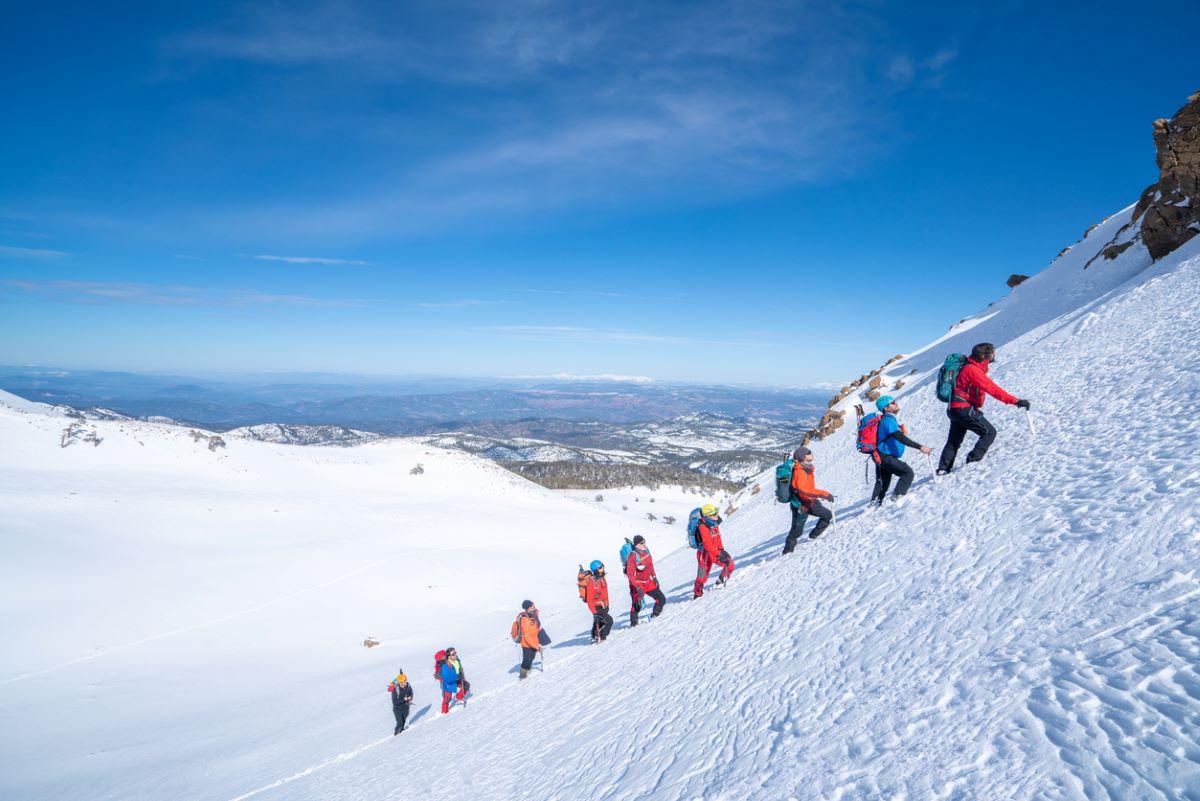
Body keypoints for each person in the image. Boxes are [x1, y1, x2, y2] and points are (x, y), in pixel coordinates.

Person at [937, 342, 1030, 474]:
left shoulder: (969, 366)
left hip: (954, 408)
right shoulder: (972, 370)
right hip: (963, 408)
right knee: (989, 432)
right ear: (984, 356)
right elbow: (993, 389)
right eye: (992, 353)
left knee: (954, 441)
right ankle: (973, 462)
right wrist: (1016, 401)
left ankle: (943, 469)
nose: (994, 355)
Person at [871, 395, 932, 505]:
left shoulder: (887, 420)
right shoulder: (888, 421)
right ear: (886, 408)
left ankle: (874, 504)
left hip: (880, 455)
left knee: (883, 483)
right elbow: (900, 438)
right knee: (907, 473)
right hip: (885, 456)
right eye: (893, 403)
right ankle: (897, 497)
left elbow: (896, 436)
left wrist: (901, 432)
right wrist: (920, 447)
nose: (896, 404)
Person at [783, 446, 834, 554]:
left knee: (827, 515)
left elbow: (809, 488)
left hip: (809, 500)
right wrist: (824, 494)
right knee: (796, 532)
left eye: (811, 460)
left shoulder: (806, 468)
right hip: (800, 504)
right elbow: (803, 489)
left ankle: (813, 536)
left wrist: (816, 496)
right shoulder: (799, 472)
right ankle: (787, 552)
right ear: (801, 459)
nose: (811, 462)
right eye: (808, 460)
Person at [692, 504, 734, 598]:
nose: (717, 515)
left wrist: (721, 550)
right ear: (707, 516)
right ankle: (697, 593)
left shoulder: (714, 524)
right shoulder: (702, 527)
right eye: (714, 514)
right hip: (704, 555)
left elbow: (718, 537)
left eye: (717, 513)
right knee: (702, 577)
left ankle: (721, 580)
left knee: (730, 564)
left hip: (716, 552)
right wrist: (719, 554)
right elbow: (707, 545)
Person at [624, 535, 665, 626]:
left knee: (661, 599)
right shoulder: (633, 557)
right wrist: (637, 588)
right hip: (637, 584)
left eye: (644, 542)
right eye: (642, 543)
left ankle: (655, 615)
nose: (644, 544)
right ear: (636, 545)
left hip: (647, 581)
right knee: (637, 605)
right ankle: (634, 623)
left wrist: (654, 578)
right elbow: (630, 575)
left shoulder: (647, 552)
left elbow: (650, 566)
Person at [510, 600, 543, 679]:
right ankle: (523, 674)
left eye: (533, 604)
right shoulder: (525, 620)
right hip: (526, 644)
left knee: (532, 656)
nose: (534, 606)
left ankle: (529, 666)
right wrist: (537, 647)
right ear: (527, 608)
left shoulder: (534, 615)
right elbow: (527, 637)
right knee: (527, 659)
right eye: (531, 605)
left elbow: (537, 627)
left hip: (535, 641)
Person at [582, 560, 613, 643]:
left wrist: (607, 605)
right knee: (609, 620)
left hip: (603, 605)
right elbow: (589, 599)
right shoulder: (591, 582)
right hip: (596, 606)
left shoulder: (602, 578)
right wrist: (594, 612)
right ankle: (602, 636)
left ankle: (594, 636)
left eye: (602, 566)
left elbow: (605, 593)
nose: (602, 568)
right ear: (595, 569)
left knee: (600, 621)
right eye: (600, 567)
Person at [436, 647, 467, 714]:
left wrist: (462, 677)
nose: (455, 654)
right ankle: (444, 712)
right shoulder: (446, 665)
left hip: (456, 679)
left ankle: (459, 698)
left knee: (466, 685)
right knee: (447, 698)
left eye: (455, 652)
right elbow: (447, 678)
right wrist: (457, 676)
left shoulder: (456, 660)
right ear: (449, 656)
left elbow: (460, 669)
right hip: (447, 683)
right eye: (453, 654)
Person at [387, 669, 413, 735]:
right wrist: (404, 699)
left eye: (404, 682)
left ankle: (401, 734)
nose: (403, 684)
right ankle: (396, 734)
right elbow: (394, 702)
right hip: (397, 709)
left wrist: (410, 698)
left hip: (406, 707)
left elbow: (411, 692)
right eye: (401, 683)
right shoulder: (395, 689)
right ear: (398, 683)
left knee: (404, 721)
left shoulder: (408, 685)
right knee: (400, 723)